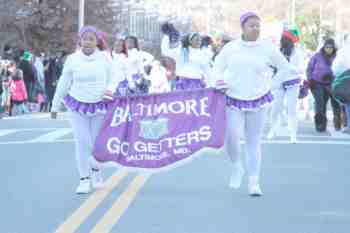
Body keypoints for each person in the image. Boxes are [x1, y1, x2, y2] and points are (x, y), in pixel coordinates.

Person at [213, 12, 297, 196]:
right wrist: (219, 81)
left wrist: (272, 85)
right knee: (232, 137)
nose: (256, 28)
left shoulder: (267, 48)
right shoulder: (231, 48)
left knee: (253, 142)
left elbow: (285, 67)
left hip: (258, 99)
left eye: (258, 25)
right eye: (252, 25)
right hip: (233, 98)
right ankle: (236, 166)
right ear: (242, 27)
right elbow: (217, 66)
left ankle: (254, 182)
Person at [51, 26, 120, 194]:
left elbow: (115, 77)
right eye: (85, 38)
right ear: (80, 41)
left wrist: (110, 89)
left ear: (97, 41)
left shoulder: (104, 58)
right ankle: (84, 179)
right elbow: (63, 82)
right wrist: (54, 105)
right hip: (77, 105)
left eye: (91, 38)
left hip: (99, 105)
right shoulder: (72, 59)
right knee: (82, 142)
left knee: (96, 143)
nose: (87, 42)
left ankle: (96, 170)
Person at [267, 30, 306, 143]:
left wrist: (288, 67)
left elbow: (301, 69)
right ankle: (272, 129)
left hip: (292, 83)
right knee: (275, 108)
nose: (282, 41)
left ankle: (293, 134)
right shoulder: (277, 51)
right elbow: (271, 66)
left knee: (291, 109)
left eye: (285, 39)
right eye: (282, 39)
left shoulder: (297, 53)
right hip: (278, 83)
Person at [161, 25, 212, 90]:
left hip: (196, 83)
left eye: (200, 40)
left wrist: (212, 85)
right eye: (196, 39)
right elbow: (166, 51)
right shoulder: (181, 51)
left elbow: (207, 70)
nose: (199, 41)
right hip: (182, 82)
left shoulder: (202, 54)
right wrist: (167, 35)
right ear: (190, 41)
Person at [306, 39, 341, 132]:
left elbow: (340, 68)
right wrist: (310, 79)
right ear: (324, 47)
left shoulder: (337, 57)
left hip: (332, 83)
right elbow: (309, 68)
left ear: (334, 48)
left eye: (331, 47)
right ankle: (320, 124)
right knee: (320, 104)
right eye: (327, 47)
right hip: (317, 83)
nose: (329, 49)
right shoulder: (317, 56)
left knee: (336, 104)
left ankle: (338, 123)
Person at [332, 37, 350, 134]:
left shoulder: (343, 51)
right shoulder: (343, 51)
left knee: (347, 103)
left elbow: (336, 67)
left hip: (345, 78)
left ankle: (348, 125)